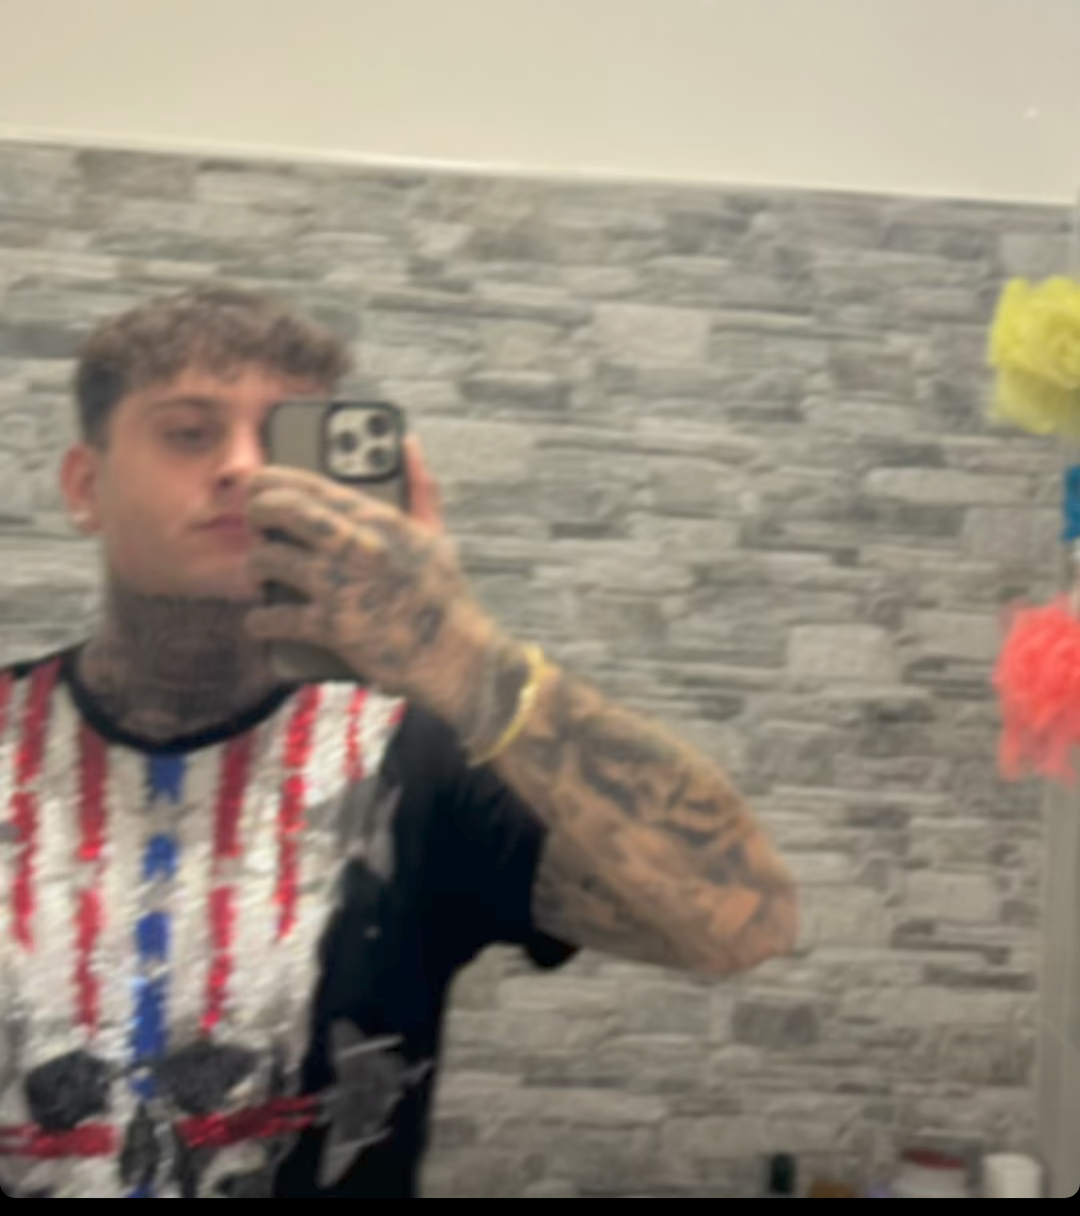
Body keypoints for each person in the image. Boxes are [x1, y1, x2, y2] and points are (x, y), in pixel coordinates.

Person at [0, 284, 796, 1199]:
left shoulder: (417, 759)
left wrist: (466, 658)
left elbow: (743, 924)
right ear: (85, 487)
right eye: (189, 433)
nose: (245, 468)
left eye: (285, 438)